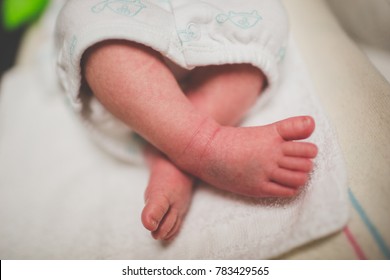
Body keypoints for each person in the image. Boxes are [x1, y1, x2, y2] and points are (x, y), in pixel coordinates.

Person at [56, 0, 318, 241]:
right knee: (85, 14)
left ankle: (174, 149)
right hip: (126, 32)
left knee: (269, 15)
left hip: (216, 26)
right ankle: (203, 145)